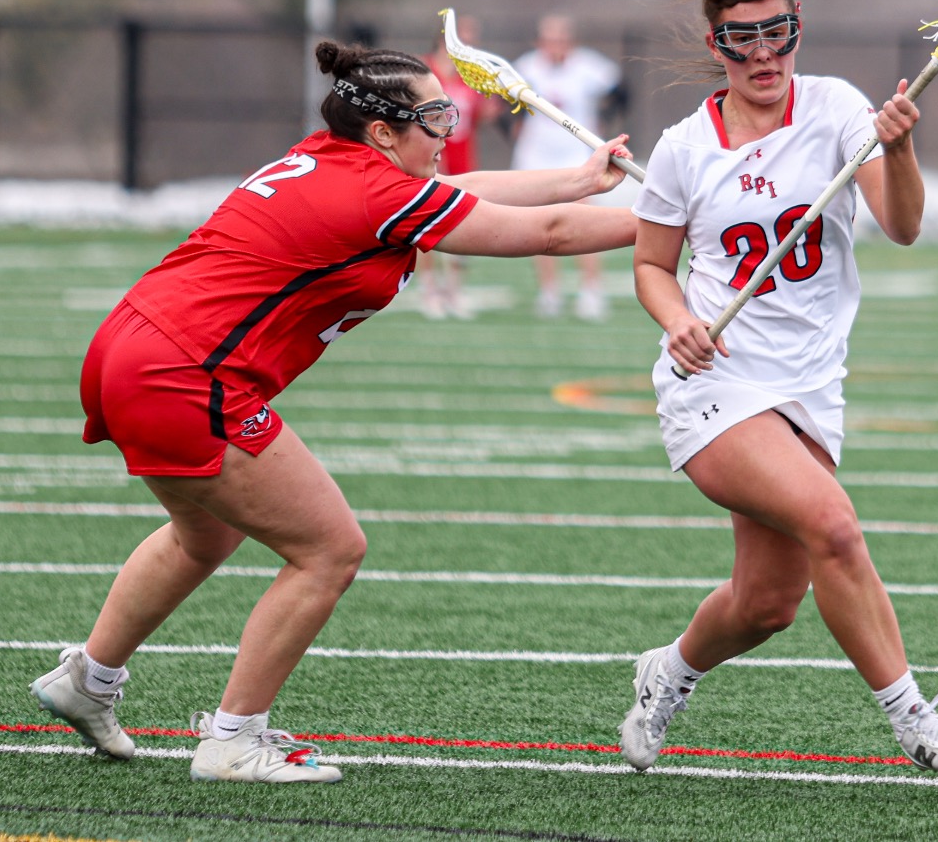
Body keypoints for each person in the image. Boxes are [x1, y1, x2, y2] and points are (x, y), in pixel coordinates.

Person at [31, 40, 636, 783]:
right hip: (185, 372)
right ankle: (233, 739)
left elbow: (463, 190)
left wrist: (577, 179)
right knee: (329, 550)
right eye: (435, 118)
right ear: (382, 131)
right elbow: (548, 235)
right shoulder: (382, 194)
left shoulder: (331, 157)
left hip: (128, 345)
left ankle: (89, 679)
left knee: (206, 534)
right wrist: (676, 222)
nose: (446, 131)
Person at [620, 0, 938, 774]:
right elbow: (650, 265)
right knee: (834, 524)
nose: (764, 55)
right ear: (716, 45)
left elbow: (903, 225)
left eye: (778, 33)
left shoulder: (836, 109)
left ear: (797, 31)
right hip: (716, 382)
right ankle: (915, 720)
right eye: (742, 39)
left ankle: (667, 671)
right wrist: (678, 319)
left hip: (810, 382)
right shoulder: (684, 147)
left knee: (766, 603)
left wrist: (899, 148)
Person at [512, 14, 626, 321]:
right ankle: (550, 290)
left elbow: (621, 91)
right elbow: (505, 106)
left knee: (585, 221)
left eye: (561, 39)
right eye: (550, 40)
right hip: (536, 156)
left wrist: (604, 122)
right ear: (540, 42)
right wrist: (514, 128)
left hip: (575, 155)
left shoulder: (587, 66)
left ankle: (591, 289)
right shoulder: (526, 67)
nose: (556, 45)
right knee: (537, 223)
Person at [417, 13, 499, 319]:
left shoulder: (471, 77)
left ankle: (453, 290)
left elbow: (477, 117)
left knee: (462, 223)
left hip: (463, 158)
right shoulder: (424, 70)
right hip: (431, 158)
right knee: (426, 223)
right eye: (465, 35)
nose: (471, 42)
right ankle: (429, 290)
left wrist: (493, 101)